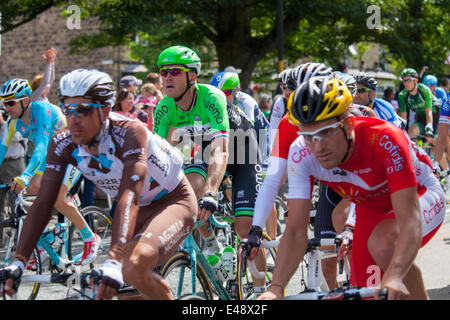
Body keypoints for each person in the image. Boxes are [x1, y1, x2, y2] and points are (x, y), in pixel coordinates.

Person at [0, 68, 197, 300]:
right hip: (135, 211)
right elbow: (44, 202)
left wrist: (113, 260)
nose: (73, 118)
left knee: (131, 267)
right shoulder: (63, 142)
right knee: (118, 292)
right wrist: (19, 261)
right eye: (67, 109)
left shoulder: (129, 133)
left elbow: (128, 196)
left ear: (105, 110)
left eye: (82, 110)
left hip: (171, 200)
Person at [250, 76, 445, 300]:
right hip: (369, 204)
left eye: (325, 133)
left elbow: (410, 220)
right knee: (367, 289)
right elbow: (294, 231)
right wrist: (276, 287)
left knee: (382, 244)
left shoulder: (384, 140)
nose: (317, 146)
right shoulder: (301, 152)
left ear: (348, 124)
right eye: (307, 135)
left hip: (420, 193)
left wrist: (395, 274)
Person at [153, 45, 267, 297]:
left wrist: (212, 192)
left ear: (192, 76)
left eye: (174, 71)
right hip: (206, 151)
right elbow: (155, 155)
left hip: (242, 151)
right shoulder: (163, 107)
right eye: (163, 72)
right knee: (189, 188)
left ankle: (262, 290)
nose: (167, 77)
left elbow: (221, 151)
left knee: (245, 229)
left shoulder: (211, 97)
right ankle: (213, 247)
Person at [0, 78, 100, 267]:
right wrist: (28, 178)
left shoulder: (40, 110)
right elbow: (1, 150)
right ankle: (46, 242)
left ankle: (90, 237)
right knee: (30, 191)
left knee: (57, 198)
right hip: (53, 155)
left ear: (25, 101)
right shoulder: (13, 123)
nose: (7, 107)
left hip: (74, 151)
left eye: (11, 102)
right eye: (4, 102)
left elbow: (41, 146)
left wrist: (26, 175)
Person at [0, 109, 26, 246]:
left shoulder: (12, 125)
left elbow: (20, 139)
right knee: (0, 204)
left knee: (14, 202)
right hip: (1, 165)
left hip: (14, 164)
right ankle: (1, 240)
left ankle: (18, 239)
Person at [398, 68, 437, 138]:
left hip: (435, 115)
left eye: (408, 80)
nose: (406, 83)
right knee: (411, 133)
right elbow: (404, 116)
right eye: (404, 81)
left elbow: (429, 110)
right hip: (421, 117)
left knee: (434, 142)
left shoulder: (424, 90)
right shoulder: (402, 95)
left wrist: (429, 126)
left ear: (416, 80)